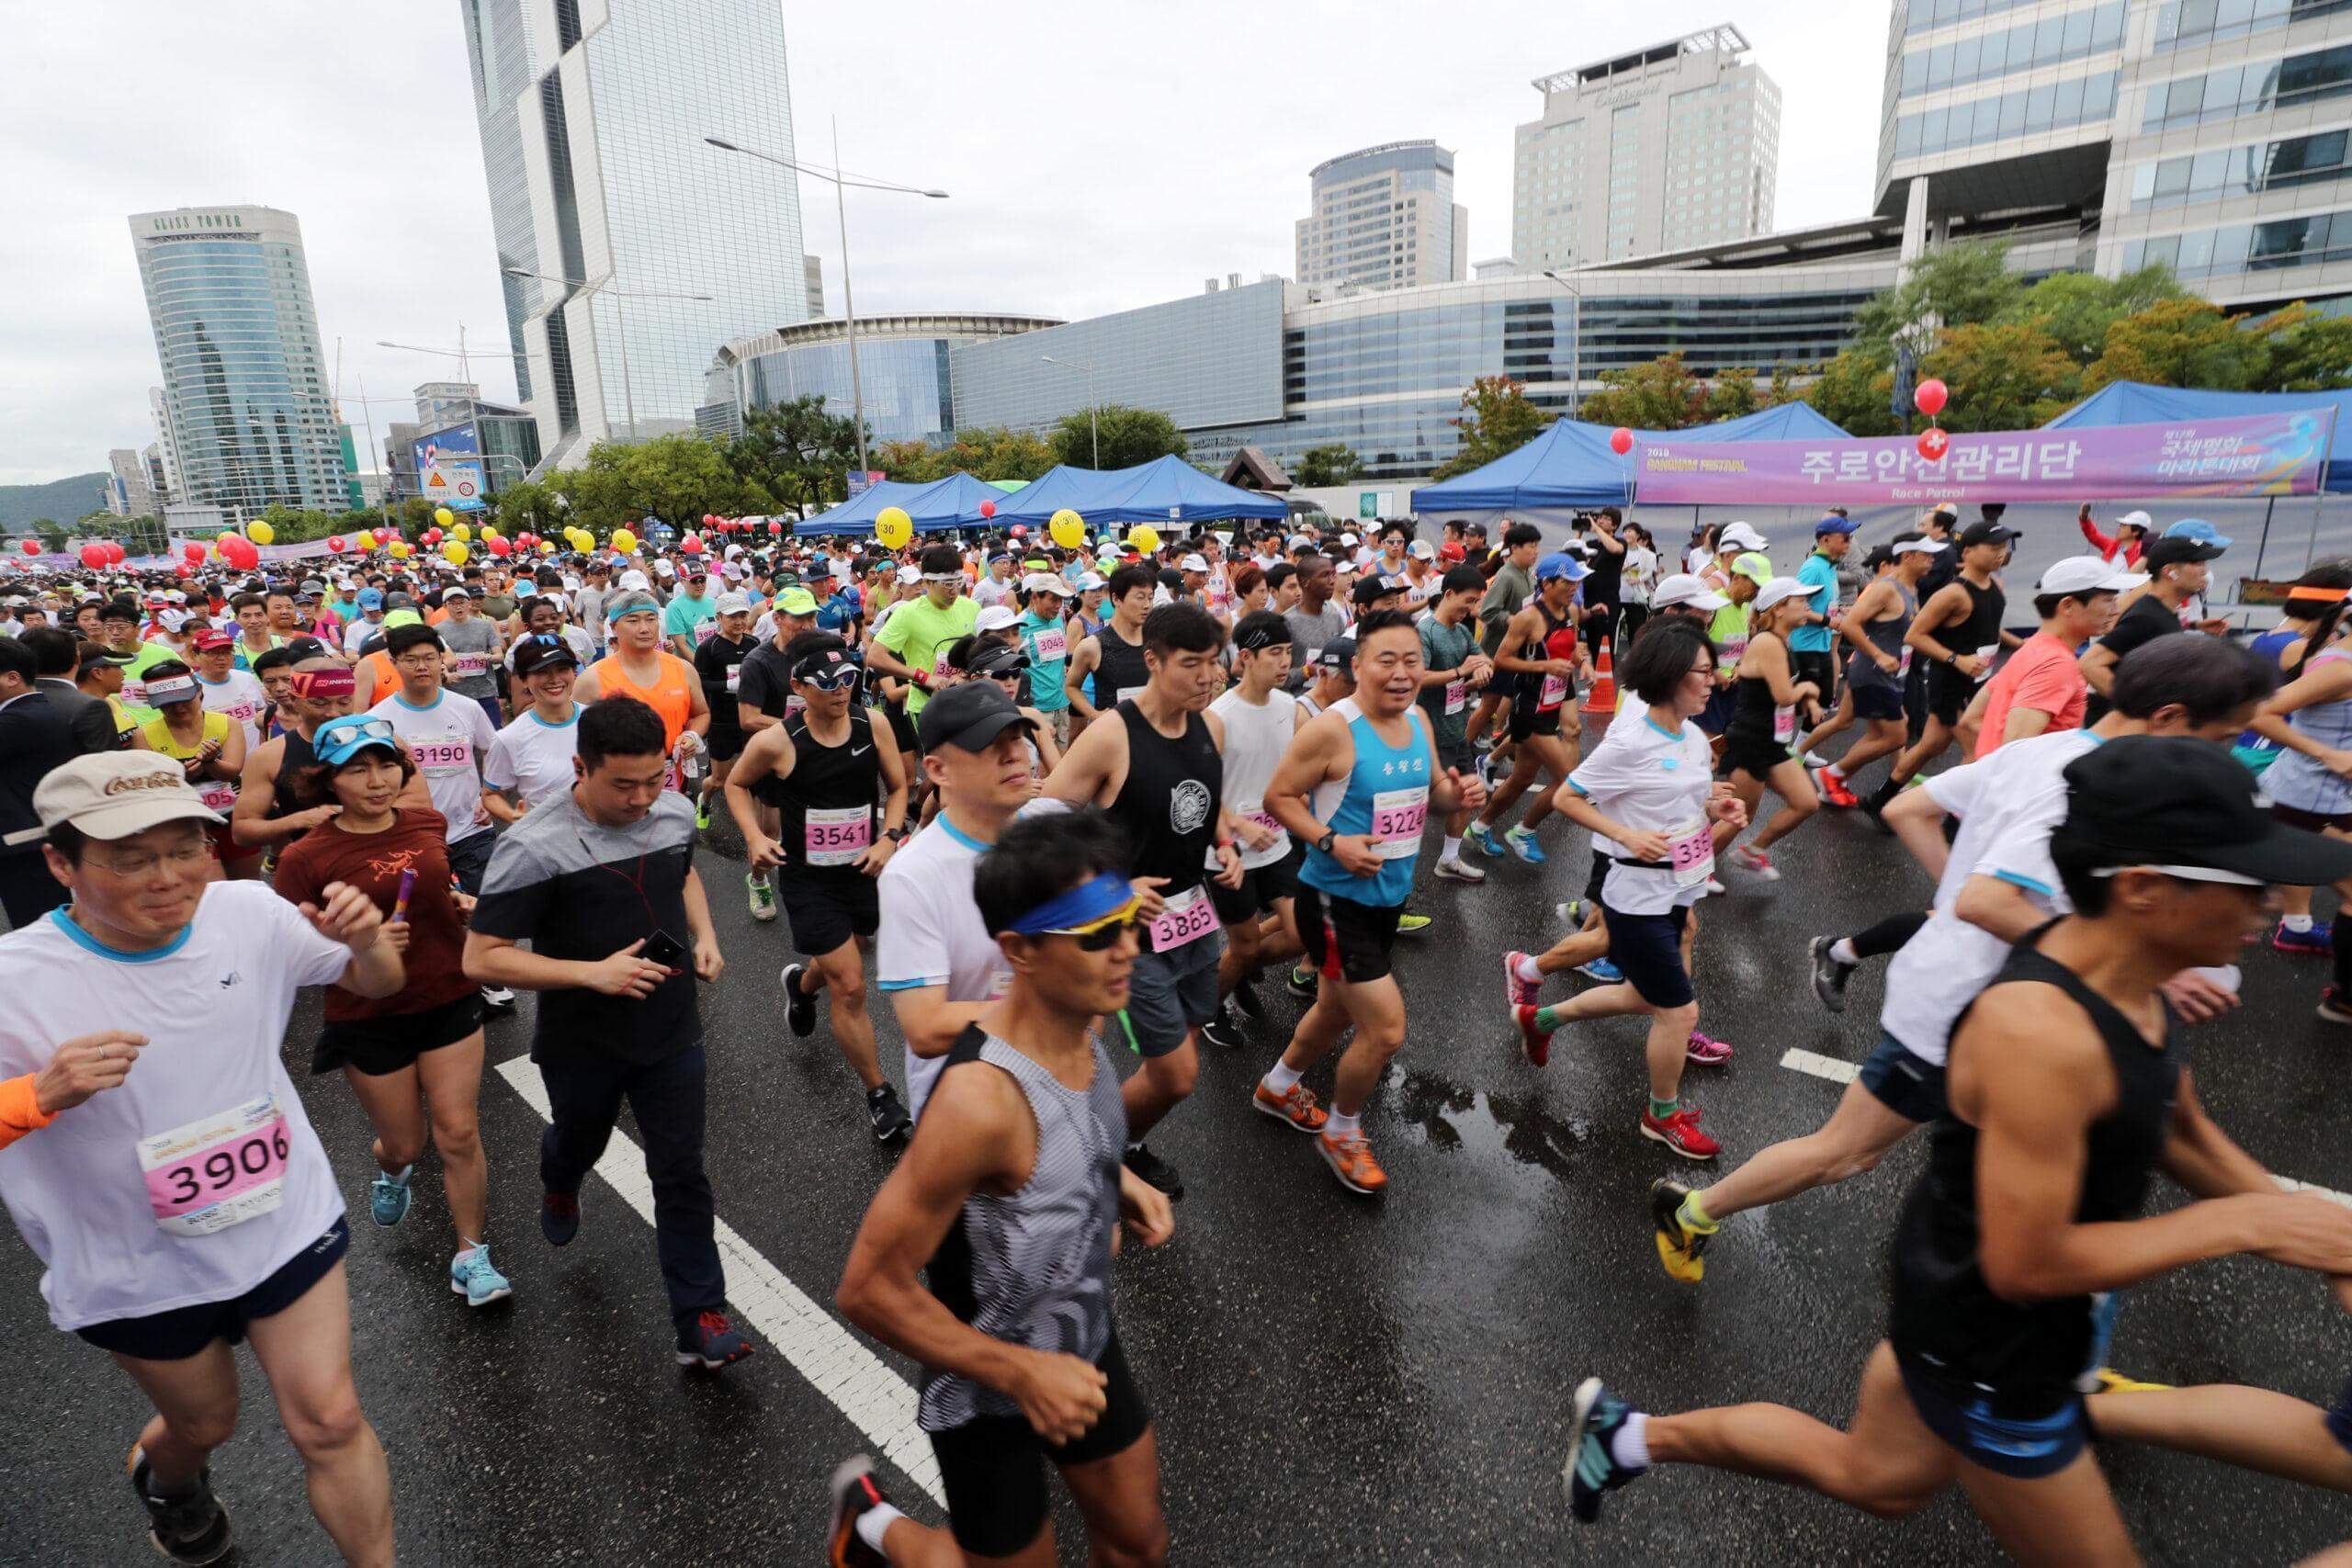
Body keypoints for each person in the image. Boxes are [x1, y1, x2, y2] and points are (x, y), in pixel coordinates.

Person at [1571, 737, 2352, 1565]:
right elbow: (2027, 1263)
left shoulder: (2133, 986)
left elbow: (2179, 1127)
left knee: (1875, 1476)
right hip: (1999, 1355)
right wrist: (2253, 1228)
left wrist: (2318, 1238)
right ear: (2144, 890)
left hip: (1961, 1315)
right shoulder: (2041, 1030)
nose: (2270, 902)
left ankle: (1626, 1438)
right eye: (2246, 883)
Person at [1653, 634, 2278, 1283]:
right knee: (1848, 1152)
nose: (2230, 757)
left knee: (2095, 1147)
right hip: (1967, 1009)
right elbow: (1987, 900)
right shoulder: (2079, 788)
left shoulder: (2047, 750)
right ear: (2171, 719)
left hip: (2003, 1003)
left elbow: (1910, 808)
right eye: (2227, 738)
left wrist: (1959, 904)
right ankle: (1695, 1210)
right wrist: (2117, 966)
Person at [0, 750, 402, 1566]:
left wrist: (367, 944)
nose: (167, 877)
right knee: (204, 1423)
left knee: (329, 1419)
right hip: (134, 1262)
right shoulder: (14, 979)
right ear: (59, 862)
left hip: (284, 1218)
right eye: (129, 858)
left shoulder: (248, 912)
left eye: (184, 849)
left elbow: (377, 982)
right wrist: (34, 1096)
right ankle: (172, 1478)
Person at [828, 809, 1176, 1568]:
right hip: (987, 1385)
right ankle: (869, 1523)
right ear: (1019, 951)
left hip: (1079, 1336)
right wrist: (1021, 1371)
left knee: (1140, 1544)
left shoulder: (1081, 1018)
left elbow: (1058, 1132)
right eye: (1096, 935)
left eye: (1125, 923)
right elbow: (867, 1287)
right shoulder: (977, 1103)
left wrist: (1113, 1179)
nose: (1127, 950)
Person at [462, 696, 751, 1371]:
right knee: (579, 1140)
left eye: (654, 779)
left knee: (681, 1171)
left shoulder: (674, 811)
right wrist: (593, 973)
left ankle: (699, 1315)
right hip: (581, 1041)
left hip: (672, 1031)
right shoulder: (532, 845)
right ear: (578, 767)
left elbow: (683, 877)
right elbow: (482, 957)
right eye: (624, 784)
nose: (643, 797)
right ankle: (559, 1177)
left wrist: (705, 937)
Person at [272, 716, 508, 1307]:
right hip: (366, 1015)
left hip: (447, 991)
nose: (377, 781)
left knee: (458, 1131)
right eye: (358, 770)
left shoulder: (426, 821)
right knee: (406, 1143)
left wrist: (460, 906)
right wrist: (356, 946)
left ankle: (471, 1255)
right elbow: (289, 951)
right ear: (329, 781)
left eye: (385, 765)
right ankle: (393, 1168)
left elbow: (439, 889)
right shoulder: (306, 857)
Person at [1257, 610, 1487, 1194]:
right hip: (1334, 900)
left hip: (1388, 896)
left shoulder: (1417, 720)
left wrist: (1456, 792)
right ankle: (1342, 1129)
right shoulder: (1334, 728)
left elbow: (1434, 793)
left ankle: (1279, 1085)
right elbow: (1279, 797)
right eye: (1386, 660)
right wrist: (1331, 841)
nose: (1402, 672)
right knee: (1384, 1032)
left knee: (1335, 1011)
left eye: (1413, 660)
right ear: (1358, 665)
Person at [1514, 620, 1748, 1161]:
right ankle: (1659, 1115)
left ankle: (1540, 1017)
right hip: (1636, 896)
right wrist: (1623, 834)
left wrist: (1716, 806)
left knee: (1647, 999)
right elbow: (1568, 797)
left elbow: (1683, 799)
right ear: (1670, 676)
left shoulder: (1691, 735)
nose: (1713, 681)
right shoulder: (1630, 740)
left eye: (1713, 670)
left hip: (1678, 887)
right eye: (1704, 672)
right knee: (1678, 1013)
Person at [1043, 602, 1241, 1201]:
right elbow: (1042, 827)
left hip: (1194, 918)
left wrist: (1225, 841)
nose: (1209, 677)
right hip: (1127, 931)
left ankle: (1119, 1144)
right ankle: (1091, 1156)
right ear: (1152, 661)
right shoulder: (1111, 734)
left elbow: (1200, 801)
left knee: (1175, 1054)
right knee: (1179, 1073)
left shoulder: (1212, 726)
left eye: (1215, 662)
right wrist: (1114, 890)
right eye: (1192, 664)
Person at [723, 635, 914, 1141]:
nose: (842, 689)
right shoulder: (777, 741)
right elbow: (735, 785)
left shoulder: (871, 724)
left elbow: (898, 788)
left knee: (853, 951)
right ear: (799, 687)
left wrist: (890, 837)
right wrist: (753, 835)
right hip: (809, 877)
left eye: (849, 678)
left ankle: (802, 986)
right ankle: (880, 1096)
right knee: (851, 984)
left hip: (863, 867)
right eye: (828, 682)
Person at [877, 682, 1041, 1132]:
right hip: (967, 1106)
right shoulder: (912, 875)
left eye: (1017, 738)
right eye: (990, 746)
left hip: (1055, 1082)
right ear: (938, 770)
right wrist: (1051, 1000)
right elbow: (927, 1027)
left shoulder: (1054, 833)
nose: (1014, 755)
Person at [1860, 518, 2019, 818]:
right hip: (1950, 684)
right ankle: (1951, 824)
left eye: (2004, 547)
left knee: (1930, 746)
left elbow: (1989, 630)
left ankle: (1879, 801)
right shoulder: (1953, 593)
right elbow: (1914, 636)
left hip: (1977, 684)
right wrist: (1956, 659)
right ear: (1968, 552)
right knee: (1979, 754)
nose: (2001, 553)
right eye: (1993, 547)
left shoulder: (1994, 585)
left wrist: (2023, 646)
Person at [1202, 611, 1305, 1043]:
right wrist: (1240, 823)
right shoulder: (1218, 716)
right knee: (1244, 946)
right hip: (1228, 853)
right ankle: (1210, 1011)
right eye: (1275, 653)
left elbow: (1310, 769)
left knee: (1303, 934)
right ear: (1245, 657)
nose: (1286, 662)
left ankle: (1237, 968)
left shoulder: (1290, 707)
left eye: (1288, 652)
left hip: (1277, 845)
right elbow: (1200, 794)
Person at [1464, 552, 1589, 863]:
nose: (1573, 587)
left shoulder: (1571, 610)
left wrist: (1582, 663)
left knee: (1521, 778)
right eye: (1566, 581)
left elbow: (1570, 648)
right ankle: (1524, 830)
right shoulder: (1528, 617)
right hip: (1529, 709)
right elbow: (1502, 659)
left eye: (1576, 581)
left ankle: (1480, 826)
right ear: (1546, 583)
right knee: (1571, 782)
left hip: (1551, 704)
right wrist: (1545, 665)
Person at [1811, 537, 1940, 809]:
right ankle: (1829, 774)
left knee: (1878, 735)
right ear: (1907, 556)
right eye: (1926, 555)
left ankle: (1835, 782)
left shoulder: (1911, 589)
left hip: (1893, 674)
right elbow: (1851, 625)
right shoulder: (1885, 589)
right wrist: (1880, 655)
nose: (1932, 560)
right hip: (1872, 672)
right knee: (1896, 736)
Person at [1973, 557, 2139, 759]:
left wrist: (1982, 767)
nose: (2115, 611)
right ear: (2068, 605)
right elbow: (2014, 750)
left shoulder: (2031, 649)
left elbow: (1971, 719)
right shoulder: (2057, 665)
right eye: (2108, 600)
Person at [2080, 528, 2227, 716]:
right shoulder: (2147, 617)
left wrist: (2193, 626)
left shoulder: (2164, 612)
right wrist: (2139, 711)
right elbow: (2089, 663)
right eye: (2196, 563)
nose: (2205, 571)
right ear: (2169, 572)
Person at [573, 591, 712, 790]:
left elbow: (701, 714)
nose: (644, 628)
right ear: (613, 627)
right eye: (633, 620)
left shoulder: (683, 669)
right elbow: (574, 736)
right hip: (617, 786)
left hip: (673, 777)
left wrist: (691, 736)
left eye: (651, 619)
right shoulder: (592, 679)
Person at [137, 659, 259, 883]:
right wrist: (182, 778)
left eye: (185, 699)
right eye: (167, 704)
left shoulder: (226, 723)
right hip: (186, 826)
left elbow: (232, 771)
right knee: (212, 891)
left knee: (249, 885)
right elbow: (149, 790)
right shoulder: (144, 735)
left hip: (231, 818)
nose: (178, 708)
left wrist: (212, 763)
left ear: (199, 691)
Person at [0, 636, 89, 925]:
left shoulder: (20, 719)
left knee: (45, 928)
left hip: (29, 847)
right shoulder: (30, 712)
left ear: (13, 678)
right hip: (32, 845)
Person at [1419, 566, 1496, 882]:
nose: (1471, 609)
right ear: (1448, 594)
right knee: (1415, 807)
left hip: (1456, 731)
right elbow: (1417, 678)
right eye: (1468, 601)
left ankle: (1449, 859)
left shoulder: (1462, 631)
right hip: (1429, 735)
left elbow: (1485, 659)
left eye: (1476, 602)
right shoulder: (1425, 632)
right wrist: (1461, 672)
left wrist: (1482, 671)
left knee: (1468, 795)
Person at [867, 544, 978, 726]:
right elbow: (875, 657)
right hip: (927, 707)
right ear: (927, 583)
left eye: (958, 582)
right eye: (947, 584)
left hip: (966, 700)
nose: (954, 590)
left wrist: (965, 675)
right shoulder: (907, 613)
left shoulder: (972, 607)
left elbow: (981, 650)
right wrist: (924, 678)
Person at [481, 636, 583, 821]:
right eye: (542, 672)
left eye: (562, 669)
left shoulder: (598, 721)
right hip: (548, 844)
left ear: (574, 673)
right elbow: (490, 794)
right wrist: (514, 816)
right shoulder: (509, 737)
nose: (554, 679)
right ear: (525, 681)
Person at [691, 591, 757, 831]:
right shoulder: (709, 648)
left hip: (750, 719)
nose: (739, 622)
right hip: (722, 720)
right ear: (719, 617)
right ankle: (704, 801)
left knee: (756, 774)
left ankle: (758, 827)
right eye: (733, 617)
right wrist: (728, 685)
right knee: (719, 779)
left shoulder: (754, 643)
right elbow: (700, 684)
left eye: (743, 616)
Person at [1063, 566, 1157, 734]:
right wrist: (1095, 715)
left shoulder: (1156, 642)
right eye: (1140, 597)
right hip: (1112, 739)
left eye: (1150, 598)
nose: (1147, 605)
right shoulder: (1093, 646)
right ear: (1116, 599)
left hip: (1150, 735)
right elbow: (1071, 687)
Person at [435, 587, 505, 727]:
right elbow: (436, 662)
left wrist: (487, 657)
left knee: (492, 735)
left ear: (469, 603)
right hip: (456, 693)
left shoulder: (485, 626)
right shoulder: (437, 630)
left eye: (461, 602)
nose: (458, 607)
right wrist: (447, 670)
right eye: (453, 603)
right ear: (444, 606)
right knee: (463, 738)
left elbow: (500, 656)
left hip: (486, 691)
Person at [2078, 502, 2154, 568]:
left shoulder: (2142, 553)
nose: (2119, 528)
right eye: (2120, 525)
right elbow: (2093, 535)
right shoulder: (2112, 545)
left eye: (2124, 526)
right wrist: (2084, 518)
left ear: (2136, 532)